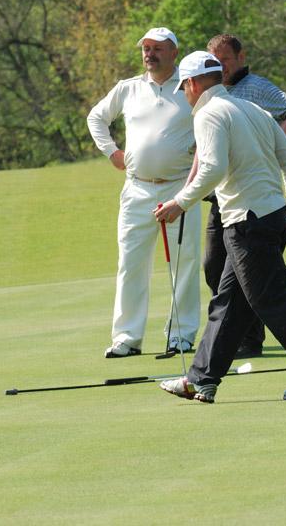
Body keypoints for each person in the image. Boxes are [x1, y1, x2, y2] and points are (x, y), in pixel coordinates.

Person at [154, 51, 286, 403]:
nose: (185, 95)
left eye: (184, 87)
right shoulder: (251, 109)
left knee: (272, 300)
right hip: (269, 216)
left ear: (193, 83)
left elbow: (212, 168)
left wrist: (180, 203)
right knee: (230, 304)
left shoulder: (209, 114)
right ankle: (201, 379)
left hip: (247, 222)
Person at [194, 33, 286, 359]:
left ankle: (248, 341)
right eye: (213, 61)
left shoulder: (256, 87)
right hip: (223, 195)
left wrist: (268, 146)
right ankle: (232, 341)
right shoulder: (211, 96)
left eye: (225, 59)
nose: (220, 66)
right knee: (214, 267)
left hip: (252, 199)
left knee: (252, 276)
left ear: (241, 56)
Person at [86, 27, 201, 358]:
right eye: (146, 48)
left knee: (185, 262)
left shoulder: (190, 87)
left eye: (157, 49)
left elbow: (210, 122)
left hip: (181, 188)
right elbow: (96, 118)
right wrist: (112, 152)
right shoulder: (129, 88)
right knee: (131, 262)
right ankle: (126, 337)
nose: (149, 54)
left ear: (173, 53)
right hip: (137, 189)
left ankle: (181, 335)